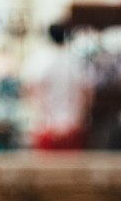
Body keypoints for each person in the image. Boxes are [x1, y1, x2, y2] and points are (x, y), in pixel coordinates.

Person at [22, 21, 90, 150]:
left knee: (45, 169)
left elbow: (29, 92)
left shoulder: (38, 60)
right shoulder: (77, 61)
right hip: (73, 125)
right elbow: (87, 94)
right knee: (73, 168)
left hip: (46, 126)